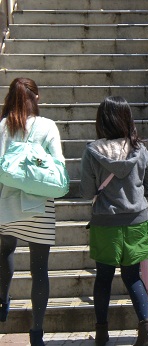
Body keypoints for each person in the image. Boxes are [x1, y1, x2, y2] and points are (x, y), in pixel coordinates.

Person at [80, 96, 148, 346]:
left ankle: (102, 333)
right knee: (132, 276)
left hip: (105, 221)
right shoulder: (140, 150)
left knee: (103, 276)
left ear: (101, 120)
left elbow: (86, 191)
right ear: (127, 119)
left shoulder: (92, 151)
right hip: (136, 221)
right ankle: (146, 328)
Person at [0, 78, 65, 346]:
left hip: (7, 205)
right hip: (40, 207)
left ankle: (2, 301)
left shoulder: (3, 127)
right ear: (35, 98)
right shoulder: (47, 126)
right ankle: (37, 332)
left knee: (4, 253)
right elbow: (58, 166)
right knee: (40, 271)